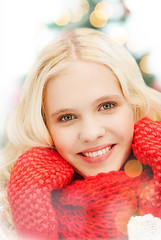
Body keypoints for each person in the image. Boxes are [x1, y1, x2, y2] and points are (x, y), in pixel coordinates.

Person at [0, 27, 161, 240]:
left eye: (106, 106)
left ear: (133, 104)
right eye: (67, 117)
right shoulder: (8, 218)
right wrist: (31, 205)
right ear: (45, 126)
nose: (91, 133)